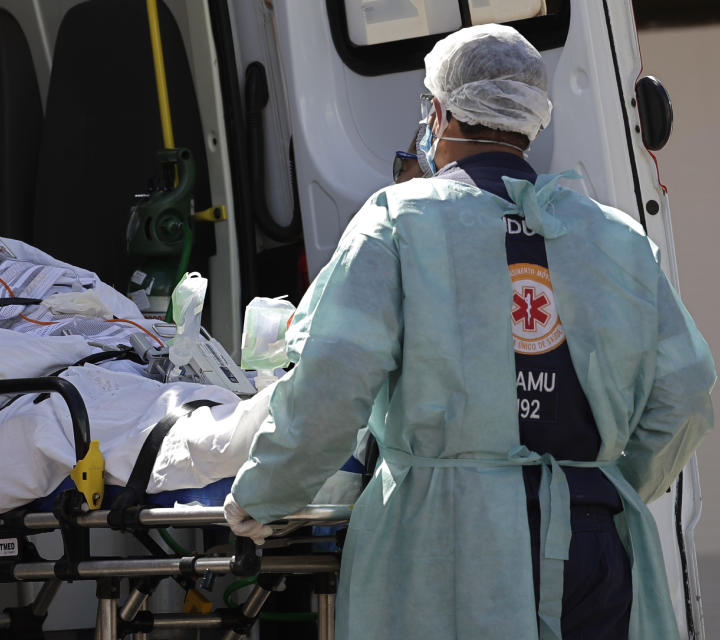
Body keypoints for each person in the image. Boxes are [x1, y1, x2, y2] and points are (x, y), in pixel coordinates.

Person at [223, 23, 715, 640]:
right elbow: (690, 389)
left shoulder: (398, 222)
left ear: (439, 110)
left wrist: (264, 493)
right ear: (533, 118)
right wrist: (602, 480)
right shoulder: (616, 237)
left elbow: (333, 380)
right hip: (594, 541)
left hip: (451, 543)